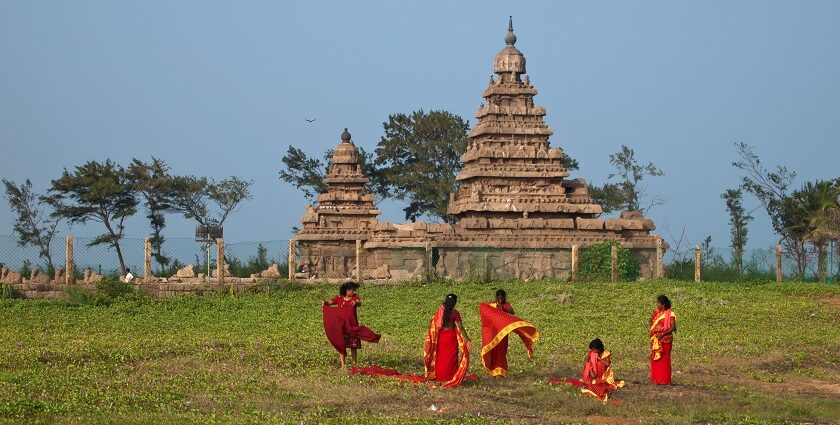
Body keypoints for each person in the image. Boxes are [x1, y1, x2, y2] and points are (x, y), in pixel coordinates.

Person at [478, 289, 538, 377]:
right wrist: (496, 305)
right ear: (496, 297)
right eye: (499, 297)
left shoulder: (506, 305)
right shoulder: (493, 305)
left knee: (502, 350)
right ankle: (494, 369)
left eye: (502, 298)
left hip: (503, 333)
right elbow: (482, 305)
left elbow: (512, 312)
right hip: (494, 333)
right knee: (494, 349)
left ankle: (501, 370)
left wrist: (503, 308)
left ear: (504, 297)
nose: (500, 299)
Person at [322, 281, 378, 369]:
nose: (353, 292)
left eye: (354, 290)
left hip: (352, 326)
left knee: (353, 346)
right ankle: (343, 365)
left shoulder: (355, 297)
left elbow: (358, 302)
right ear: (347, 290)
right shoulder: (339, 298)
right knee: (341, 345)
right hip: (342, 326)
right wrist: (325, 303)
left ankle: (354, 364)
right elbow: (329, 303)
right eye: (352, 290)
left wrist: (356, 303)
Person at [423, 293, 473, 388]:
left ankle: (439, 378)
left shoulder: (440, 311)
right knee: (451, 358)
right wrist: (467, 338)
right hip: (450, 337)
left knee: (440, 358)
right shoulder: (455, 313)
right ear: (454, 302)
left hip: (441, 337)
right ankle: (449, 378)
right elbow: (460, 327)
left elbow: (435, 325)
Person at [650, 294, 677, 385]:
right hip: (657, 340)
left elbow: (673, 327)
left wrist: (662, 334)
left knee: (664, 360)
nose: (657, 304)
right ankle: (657, 379)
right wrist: (653, 316)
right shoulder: (657, 313)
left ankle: (665, 380)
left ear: (663, 305)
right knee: (656, 359)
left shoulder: (670, 314)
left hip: (666, 340)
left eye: (658, 303)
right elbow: (651, 324)